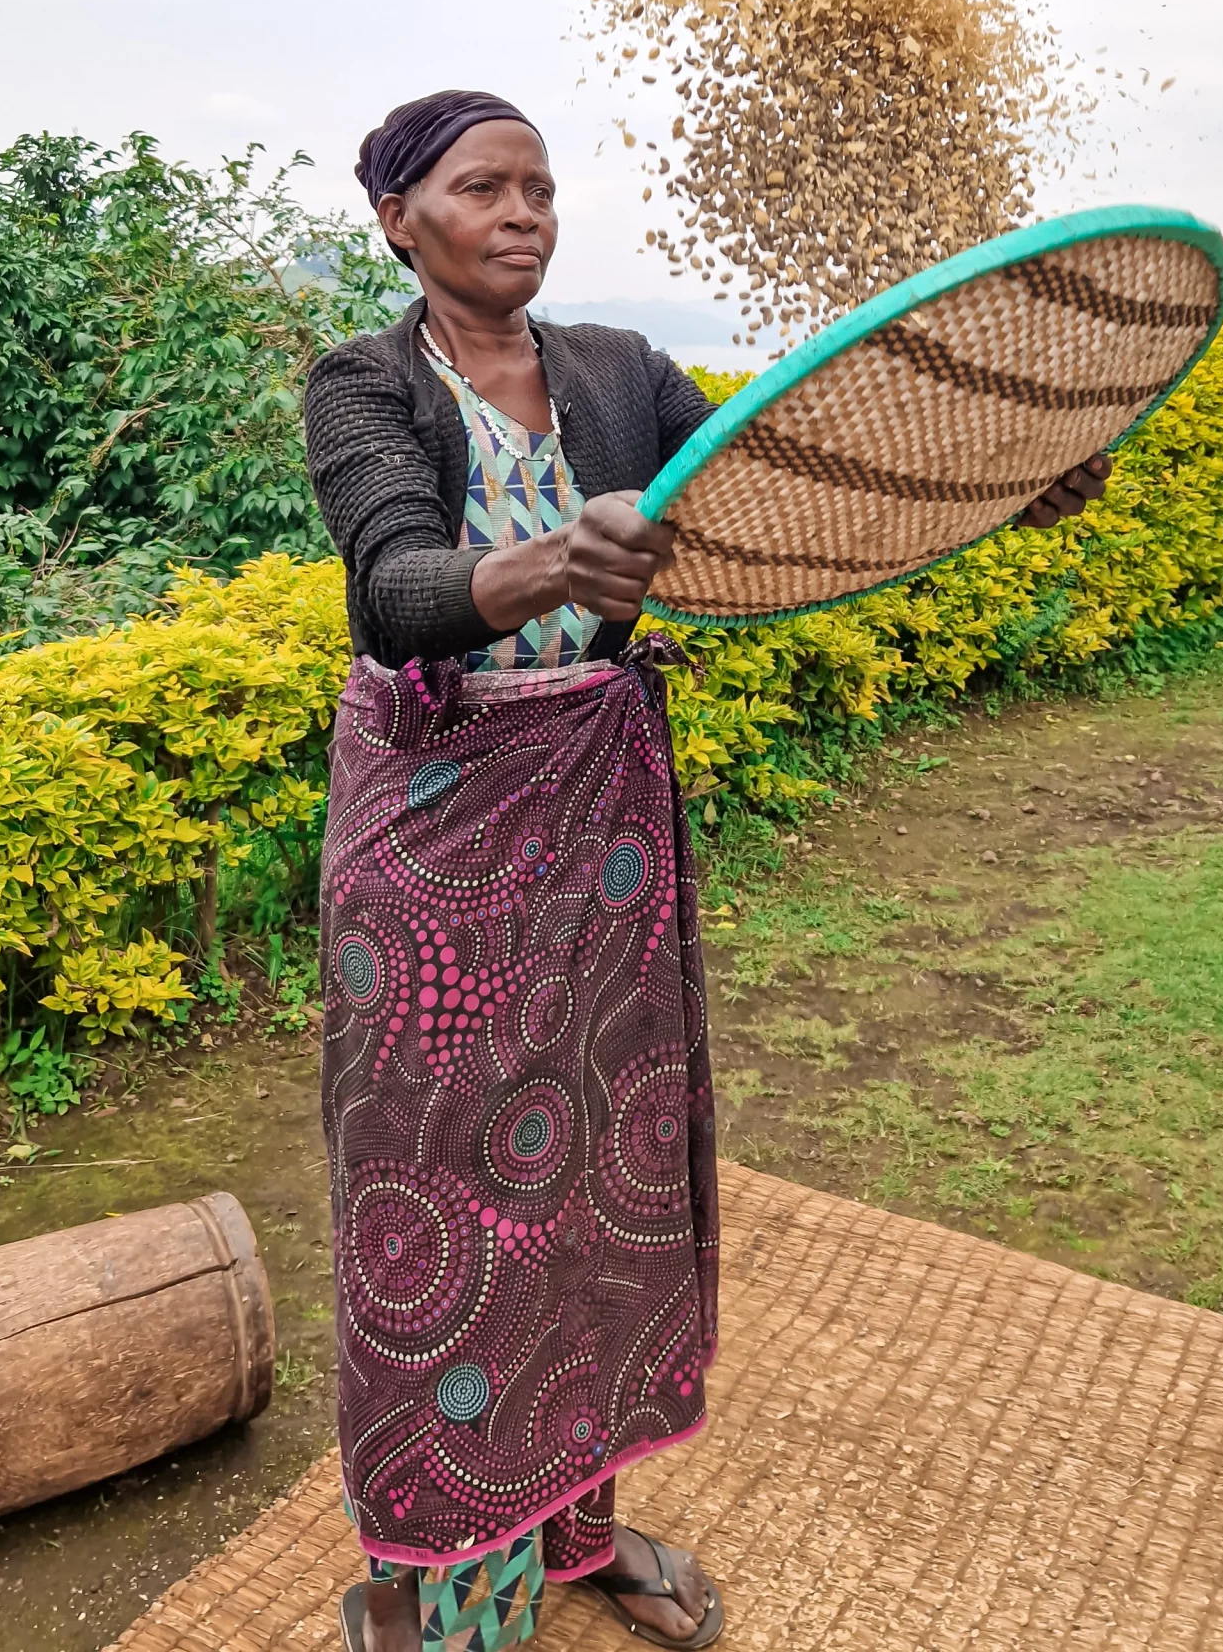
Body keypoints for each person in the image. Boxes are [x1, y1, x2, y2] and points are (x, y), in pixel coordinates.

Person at [304, 89, 1112, 1652]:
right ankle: (439, 1563)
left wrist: (1006, 474)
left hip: (596, 837)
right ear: (402, 220)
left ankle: (583, 1519)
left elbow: (802, 484)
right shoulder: (364, 384)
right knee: (447, 1193)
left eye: (541, 186)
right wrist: (548, 565)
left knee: (608, 1180)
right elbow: (397, 585)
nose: (526, 211)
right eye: (484, 188)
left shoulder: (617, 372)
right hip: (433, 844)